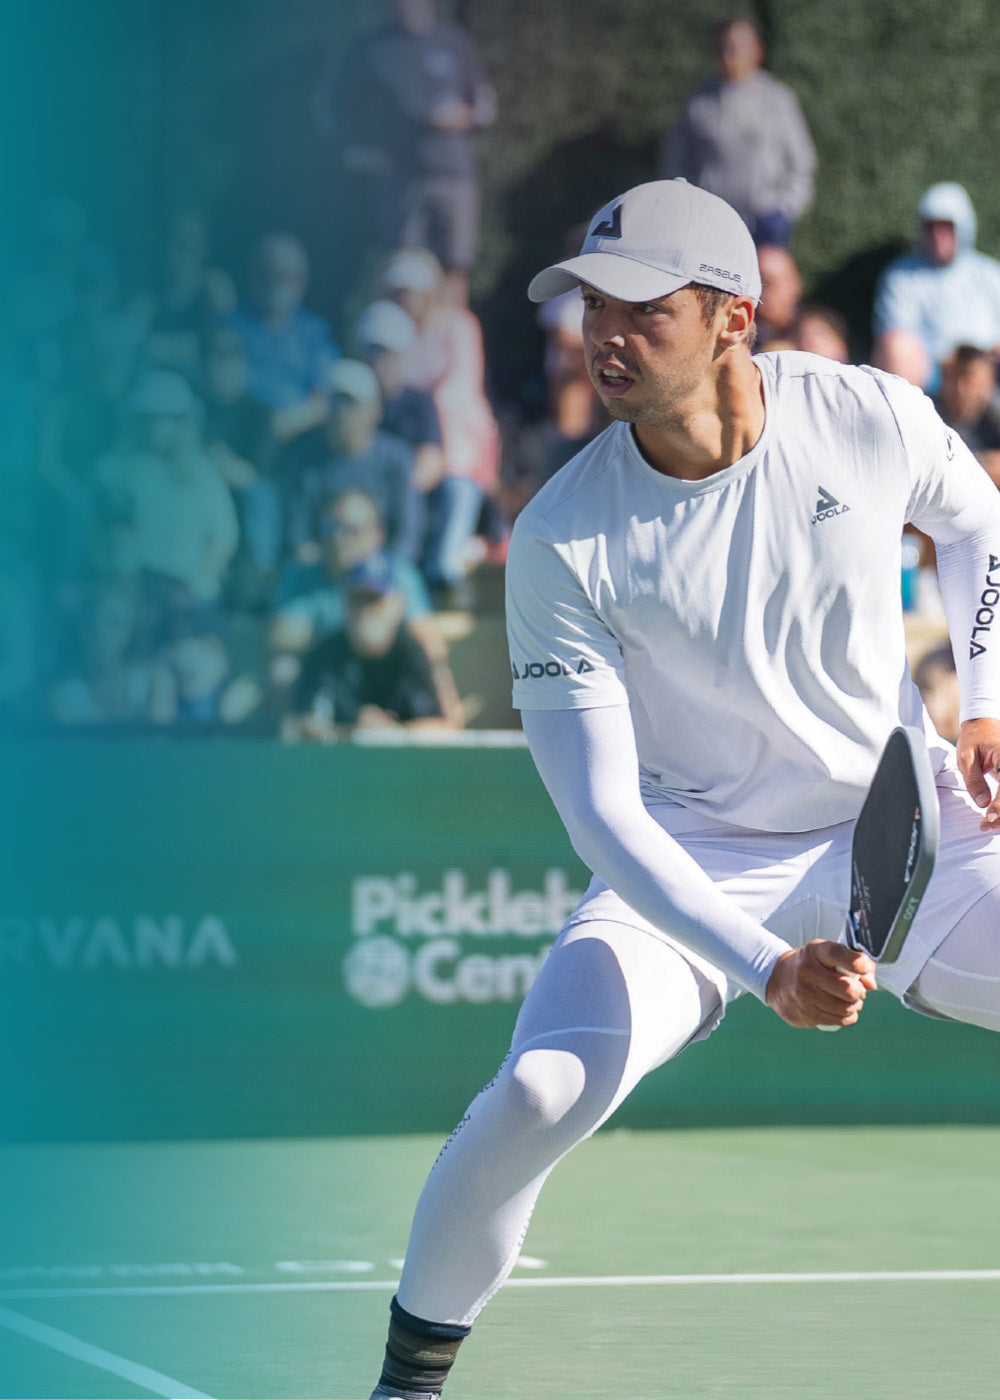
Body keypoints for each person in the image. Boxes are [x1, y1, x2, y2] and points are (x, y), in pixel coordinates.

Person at [366, 178, 1000, 1400]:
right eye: (591, 303)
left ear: (732, 317)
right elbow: (602, 815)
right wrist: (765, 964)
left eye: (643, 306)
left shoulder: (863, 414)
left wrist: (985, 698)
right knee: (541, 1087)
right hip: (694, 853)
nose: (604, 331)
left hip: (904, 821)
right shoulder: (559, 537)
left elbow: (978, 526)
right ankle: (404, 1387)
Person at [320, 0, 497, 305]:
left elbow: (485, 103)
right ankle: (401, 344)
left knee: (456, 265)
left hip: (454, 175)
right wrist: (357, 151)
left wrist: (463, 114)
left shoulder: (453, 40)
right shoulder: (371, 49)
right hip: (400, 178)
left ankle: (450, 343)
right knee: (401, 267)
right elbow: (332, 106)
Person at [379, 247, 500, 607]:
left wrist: (431, 459)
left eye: (412, 290)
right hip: (410, 449)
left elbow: (455, 395)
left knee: (456, 490)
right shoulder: (391, 332)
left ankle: (445, 576)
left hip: (458, 451)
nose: (406, 299)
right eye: (399, 291)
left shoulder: (459, 326)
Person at [659, 13, 815, 247]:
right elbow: (675, 160)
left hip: (766, 222)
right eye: (723, 47)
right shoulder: (698, 102)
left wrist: (786, 208)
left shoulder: (777, 98)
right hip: (712, 220)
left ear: (757, 50)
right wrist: (688, 205)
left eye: (738, 46)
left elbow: (801, 159)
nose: (729, 54)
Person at [284, 551, 456, 742]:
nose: (366, 612)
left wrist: (392, 733)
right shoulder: (323, 656)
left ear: (396, 604)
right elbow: (299, 728)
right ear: (345, 602)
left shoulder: (412, 653)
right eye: (358, 600)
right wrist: (353, 734)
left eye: (375, 601)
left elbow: (444, 729)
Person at [284, 358, 422, 566]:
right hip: (321, 570)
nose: (342, 413)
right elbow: (298, 533)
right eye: (335, 403)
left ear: (375, 410)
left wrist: (377, 569)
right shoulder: (305, 460)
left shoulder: (397, 461)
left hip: (383, 570)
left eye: (351, 404)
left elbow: (407, 535)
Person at [872, 182, 1000, 392]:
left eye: (946, 227)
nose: (938, 236)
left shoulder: (989, 273)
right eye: (930, 226)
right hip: (931, 375)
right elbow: (895, 336)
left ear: (963, 227)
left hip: (984, 372)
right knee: (898, 348)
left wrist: (975, 362)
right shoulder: (901, 276)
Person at [227, 233, 340, 444]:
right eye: (266, 274)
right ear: (253, 276)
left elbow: (323, 400)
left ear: (301, 282)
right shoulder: (231, 325)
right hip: (235, 430)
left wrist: (286, 423)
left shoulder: (314, 332)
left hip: (292, 441)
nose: (273, 283)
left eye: (284, 276)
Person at [934, 343, 1000, 488]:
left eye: (969, 380)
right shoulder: (930, 410)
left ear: (988, 379)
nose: (960, 389)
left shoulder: (994, 412)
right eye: (954, 378)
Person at [753, 243, 803, 348]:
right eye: (756, 283)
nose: (761, 291)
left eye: (768, 283)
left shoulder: (814, 335)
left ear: (794, 285)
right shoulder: (740, 334)